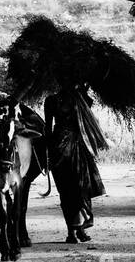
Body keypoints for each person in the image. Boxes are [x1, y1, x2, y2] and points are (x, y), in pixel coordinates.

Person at [44, 83, 107, 243]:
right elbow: (47, 129)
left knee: (71, 192)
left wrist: (50, 152)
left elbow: (48, 130)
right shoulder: (77, 99)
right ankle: (75, 231)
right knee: (75, 191)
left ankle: (75, 231)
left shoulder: (74, 99)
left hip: (65, 148)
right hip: (69, 148)